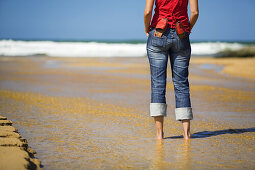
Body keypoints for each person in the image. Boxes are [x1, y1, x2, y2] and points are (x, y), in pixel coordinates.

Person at [144, 0, 199, 140]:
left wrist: (146, 28)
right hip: (181, 34)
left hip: (158, 32)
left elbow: (148, 12)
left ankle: (159, 134)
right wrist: (188, 29)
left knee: (158, 84)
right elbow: (194, 13)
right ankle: (186, 134)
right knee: (181, 84)